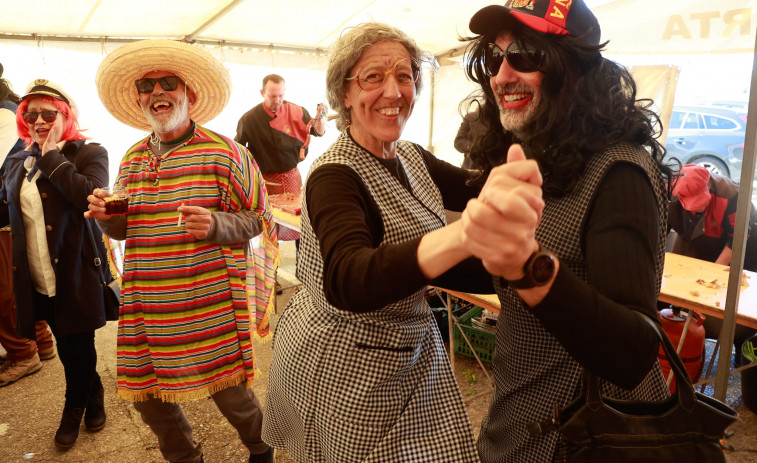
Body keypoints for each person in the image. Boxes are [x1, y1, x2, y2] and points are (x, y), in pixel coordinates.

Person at [262, 22, 499, 462]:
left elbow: (476, 188)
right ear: (345, 94)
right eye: (373, 77)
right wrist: (465, 235)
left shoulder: (409, 155)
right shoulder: (334, 175)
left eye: (405, 76)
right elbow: (350, 277)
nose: (394, 91)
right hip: (346, 362)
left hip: (406, 349)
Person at [462, 1, 674, 461]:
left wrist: (530, 270)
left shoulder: (619, 173)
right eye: (494, 58)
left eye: (525, 56)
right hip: (516, 430)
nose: (501, 75)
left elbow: (634, 351)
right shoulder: (539, 156)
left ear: (575, 68)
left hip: (578, 443)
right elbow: (496, 270)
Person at [88, 39, 278, 463]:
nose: (157, 91)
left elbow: (260, 218)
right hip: (146, 303)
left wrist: (216, 223)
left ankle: (262, 451)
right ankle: (185, 457)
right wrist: (105, 215)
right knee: (147, 398)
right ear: (138, 98)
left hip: (206, 302)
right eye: (147, 84)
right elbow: (123, 227)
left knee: (232, 397)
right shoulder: (133, 158)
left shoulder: (226, 152)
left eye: (168, 82)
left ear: (188, 94)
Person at [0, 79, 111, 449]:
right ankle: (94, 397)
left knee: (77, 344)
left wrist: (51, 156)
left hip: (76, 271)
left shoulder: (89, 152)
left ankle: (73, 408)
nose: (39, 120)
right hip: (34, 271)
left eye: (49, 113)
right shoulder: (17, 158)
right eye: (31, 114)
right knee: (67, 344)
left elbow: (90, 198)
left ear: (66, 116)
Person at [0, 64, 57, 380]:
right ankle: (41, 341)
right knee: (19, 280)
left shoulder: (5, 114)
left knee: (6, 286)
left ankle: (24, 352)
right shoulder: (10, 107)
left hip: (9, 208)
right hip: (14, 206)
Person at [668, 163, 757, 356]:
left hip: (737, 247)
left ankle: (740, 347)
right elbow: (659, 233)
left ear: (708, 187)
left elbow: (736, 240)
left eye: (700, 202)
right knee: (680, 289)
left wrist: (710, 277)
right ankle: (682, 337)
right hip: (694, 236)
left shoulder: (733, 196)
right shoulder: (670, 192)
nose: (695, 207)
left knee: (730, 302)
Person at [234, 74, 325, 245]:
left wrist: (321, 121)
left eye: (281, 95)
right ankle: (270, 266)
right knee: (268, 224)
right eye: (272, 96)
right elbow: (238, 150)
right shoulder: (249, 119)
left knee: (299, 220)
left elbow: (317, 132)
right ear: (262, 93)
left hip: (292, 176)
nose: (277, 100)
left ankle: (301, 262)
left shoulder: (297, 111)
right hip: (266, 181)